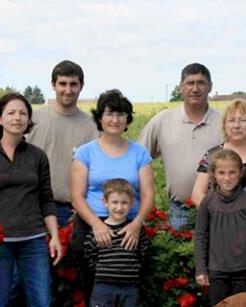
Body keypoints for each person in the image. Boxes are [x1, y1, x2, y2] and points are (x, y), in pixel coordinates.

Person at [0, 92, 63, 307]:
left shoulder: (37, 156)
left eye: (23, 113)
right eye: (11, 112)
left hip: (34, 240)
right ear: (0, 119)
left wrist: (55, 236)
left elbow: (46, 199)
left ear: (29, 120)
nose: (17, 118)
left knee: (41, 300)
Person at [70, 89, 155, 302]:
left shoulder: (140, 153)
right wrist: (97, 226)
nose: (115, 119)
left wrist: (137, 224)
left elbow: (148, 194)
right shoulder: (85, 152)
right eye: (109, 114)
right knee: (94, 290)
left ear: (127, 119)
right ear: (100, 118)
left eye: (120, 114)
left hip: (128, 228)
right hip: (92, 226)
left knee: (129, 290)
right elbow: (77, 196)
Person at [190, 99, 246, 286]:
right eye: (231, 120)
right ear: (224, 126)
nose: (236, 125)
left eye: (243, 120)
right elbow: (198, 193)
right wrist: (222, 213)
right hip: (220, 232)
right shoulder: (212, 155)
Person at [138, 63, 223, 230]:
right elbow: (137, 157)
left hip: (217, 208)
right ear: (181, 87)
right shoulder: (162, 120)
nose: (195, 88)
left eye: (201, 83)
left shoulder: (224, 122)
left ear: (210, 86)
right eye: (190, 83)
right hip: (179, 210)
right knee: (180, 254)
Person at [26, 60, 99, 227]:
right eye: (62, 84)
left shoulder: (93, 127)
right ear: (53, 85)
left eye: (73, 84)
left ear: (81, 85)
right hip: (35, 207)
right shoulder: (33, 120)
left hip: (74, 209)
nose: (68, 90)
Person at [194, 149, 246, 306]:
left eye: (232, 172)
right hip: (217, 271)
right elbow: (200, 235)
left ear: (240, 173)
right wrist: (201, 269)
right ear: (214, 174)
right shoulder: (207, 202)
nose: (227, 178)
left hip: (245, 272)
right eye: (221, 172)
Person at [85, 179, 150, 307]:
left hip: (130, 288)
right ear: (105, 202)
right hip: (103, 286)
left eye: (124, 202)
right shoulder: (97, 233)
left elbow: (144, 254)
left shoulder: (135, 232)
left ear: (131, 203)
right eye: (114, 202)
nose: (119, 207)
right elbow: (90, 256)